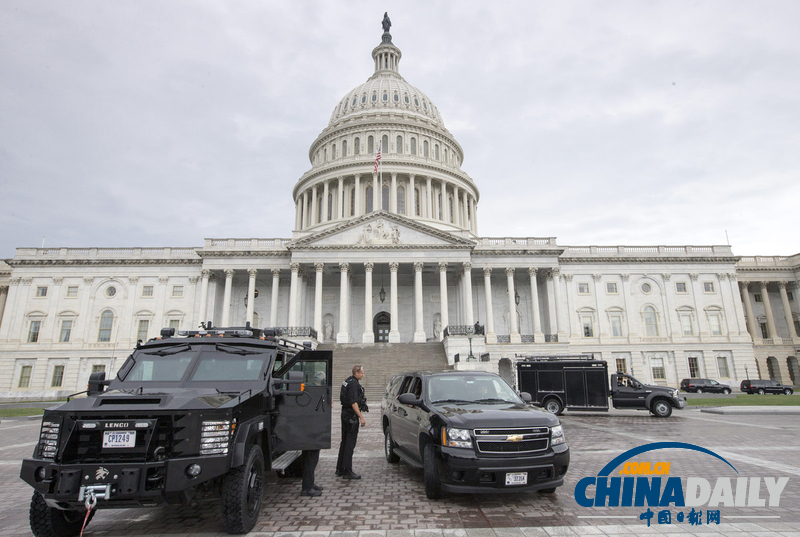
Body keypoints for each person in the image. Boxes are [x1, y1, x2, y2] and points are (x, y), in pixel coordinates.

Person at [335, 365, 366, 479]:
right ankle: (347, 469)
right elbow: (353, 402)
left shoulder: (347, 381)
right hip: (351, 415)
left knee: (344, 441)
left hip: (345, 414)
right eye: (361, 373)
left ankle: (340, 468)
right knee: (349, 443)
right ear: (356, 373)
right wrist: (361, 417)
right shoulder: (354, 384)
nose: (363, 375)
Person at [300, 370, 327, 497]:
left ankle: (310, 483)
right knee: (311, 457)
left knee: (311, 457)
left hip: (313, 427)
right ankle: (307, 487)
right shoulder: (312, 391)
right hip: (311, 429)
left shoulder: (314, 390)